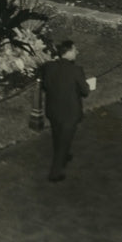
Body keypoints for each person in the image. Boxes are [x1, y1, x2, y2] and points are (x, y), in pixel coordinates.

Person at [40, 40, 91, 182]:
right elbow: (85, 91)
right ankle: (55, 173)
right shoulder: (76, 70)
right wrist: (86, 85)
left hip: (53, 109)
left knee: (57, 133)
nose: (77, 52)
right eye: (75, 50)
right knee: (65, 139)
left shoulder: (48, 67)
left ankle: (63, 154)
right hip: (70, 112)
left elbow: (45, 86)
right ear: (68, 52)